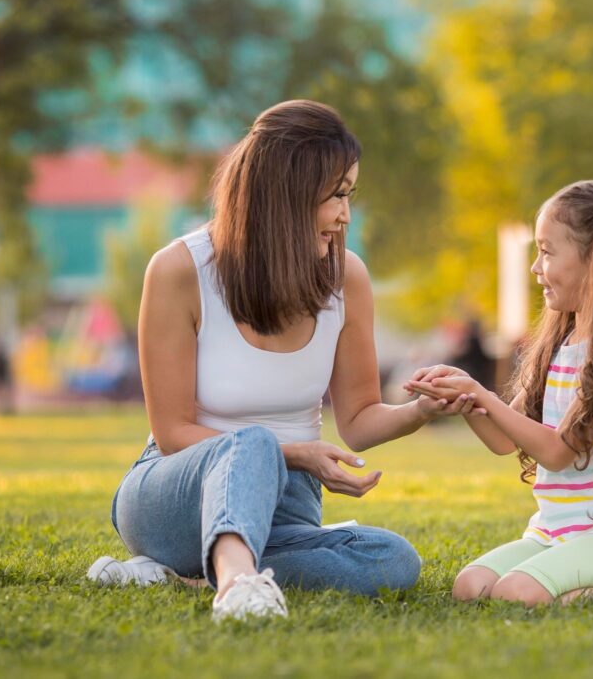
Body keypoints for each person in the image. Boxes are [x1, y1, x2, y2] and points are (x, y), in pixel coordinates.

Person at [88, 100, 482, 621]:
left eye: (349, 195)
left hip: (286, 506)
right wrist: (291, 452)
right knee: (249, 443)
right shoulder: (180, 270)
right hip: (173, 493)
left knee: (392, 560)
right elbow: (171, 431)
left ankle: (183, 575)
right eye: (336, 195)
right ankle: (235, 587)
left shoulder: (347, 277)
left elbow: (359, 420)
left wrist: (421, 410)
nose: (345, 215)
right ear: (289, 193)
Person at [407, 180, 593, 606]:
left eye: (547, 252)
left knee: (515, 593)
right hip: (555, 529)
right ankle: (570, 579)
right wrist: (466, 399)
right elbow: (502, 439)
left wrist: (485, 394)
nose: (536, 267)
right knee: (471, 586)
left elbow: (555, 452)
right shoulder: (561, 343)